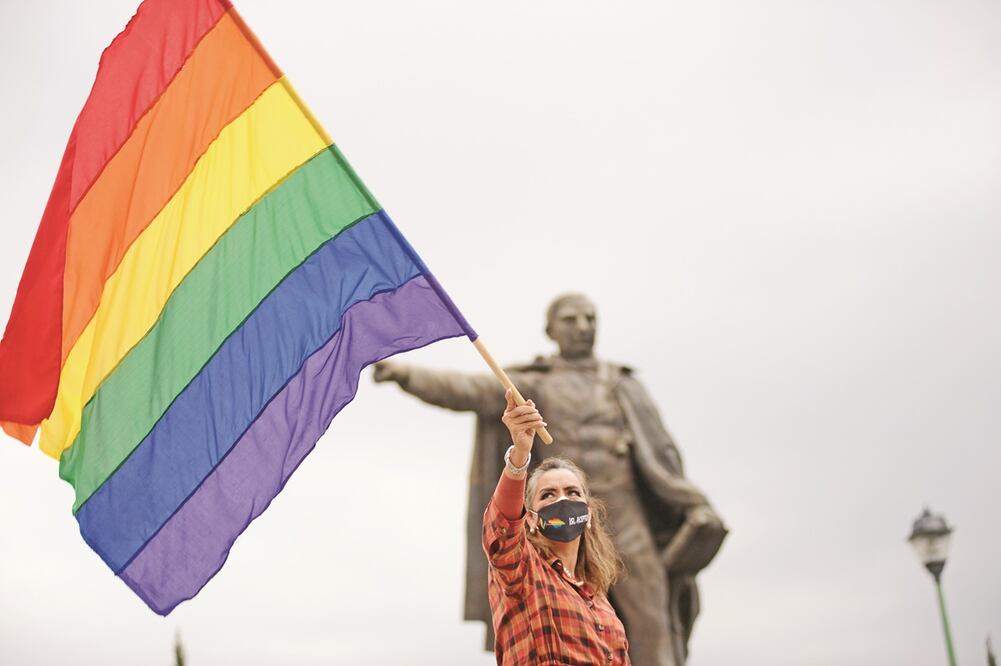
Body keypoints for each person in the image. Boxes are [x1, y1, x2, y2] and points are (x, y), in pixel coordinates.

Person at [375, 293, 726, 664]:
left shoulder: (622, 384)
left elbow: (663, 456)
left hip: (628, 517)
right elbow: (468, 390)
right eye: (572, 320)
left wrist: (693, 503)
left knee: (650, 620)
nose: (583, 327)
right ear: (551, 330)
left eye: (590, 319)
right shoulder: (535, 383)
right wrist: (407, 374)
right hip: (556, 526)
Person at [487, 388, 630, 665]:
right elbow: (501, 529)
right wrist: (519, 455)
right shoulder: (520, 572)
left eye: (573, 492)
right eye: (548, 495)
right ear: (530, 518)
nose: (563, 500)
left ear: (588, 515)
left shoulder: (600, 601)